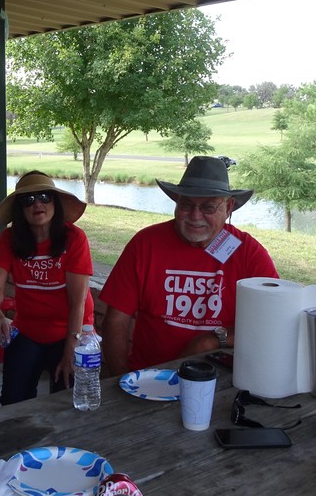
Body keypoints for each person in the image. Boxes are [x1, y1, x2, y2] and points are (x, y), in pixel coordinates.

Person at [99, 155, 278, 375]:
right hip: (150, 376)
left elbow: (273, 320)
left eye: (208, 207)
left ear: (228, 207)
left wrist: (212, 339)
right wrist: (121, 377)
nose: (195, 216)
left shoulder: (248, 252)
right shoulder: (145, 243)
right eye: (186, 204)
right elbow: (116, 319)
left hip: (219, 378)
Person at [0, 171, 95, 405]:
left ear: (55, 203)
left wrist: (71, 350)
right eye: (28, 200)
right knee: (13, 400)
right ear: (19, 210)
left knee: (68, 400)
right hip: (28, 329)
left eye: (45, 197)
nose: (37, 204)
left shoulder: (74, 238)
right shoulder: (10, 239)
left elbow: (78, 302)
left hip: (72, 329)